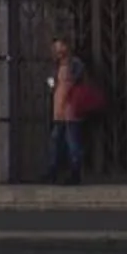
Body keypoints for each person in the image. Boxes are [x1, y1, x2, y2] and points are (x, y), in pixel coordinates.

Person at [46, 36, 91, 186]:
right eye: (55, 48)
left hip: (72, 110)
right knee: (55, 141)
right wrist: (52, 85)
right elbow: (51, 82)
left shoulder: (75, 64)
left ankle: (75, 173)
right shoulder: (55, 66)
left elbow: (78, 81)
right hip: (58, 111)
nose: (58, 51)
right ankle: (52, 172)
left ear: (66, 47)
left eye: (60, 47)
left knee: (73, 143)